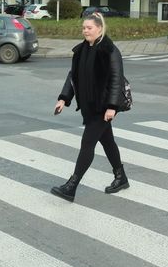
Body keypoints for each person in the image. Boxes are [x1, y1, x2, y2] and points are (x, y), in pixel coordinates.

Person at [51, 12, 128, 201]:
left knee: (87, 144)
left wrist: (112, 106)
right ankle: (121, 177)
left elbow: (116, 80)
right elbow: (73, 76)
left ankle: (71, 186)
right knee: (108, 142)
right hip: (88, 106)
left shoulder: (109, 50)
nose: (85, 31)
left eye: (89, 28)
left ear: (99, 28)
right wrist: (63, 98)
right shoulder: (82, 50)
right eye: (84, 28)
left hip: (102, 107)